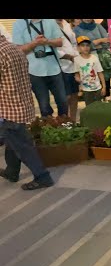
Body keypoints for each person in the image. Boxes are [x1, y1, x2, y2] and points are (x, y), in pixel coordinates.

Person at [0, 34, 55, 190]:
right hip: (21, 104)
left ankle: (43, 176)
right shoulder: (13, 49)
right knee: (13, 140)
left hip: (7, 108)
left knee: (22, 145)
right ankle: (12, 171)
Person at [12, 19, 68, 117]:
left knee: (63, 102)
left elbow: (60, 42)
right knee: (44, 106)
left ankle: (65, 127)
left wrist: (47, 41)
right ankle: (49, 130)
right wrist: (34, 43)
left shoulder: (50, 21)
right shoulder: (19, 24)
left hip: (54, 68)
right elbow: (18, 50)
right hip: (34, 71)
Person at [74, 19, 111, 98]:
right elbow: (80, 46)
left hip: (103, 59)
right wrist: (97, 43)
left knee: (105, 82)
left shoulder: (98, 27)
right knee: (90, 82)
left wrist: (98, 41)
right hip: (86, 61)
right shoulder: (76, 30)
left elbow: (108, 42)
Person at [56, 19, 80, 121]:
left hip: (73, 65)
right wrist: (68, 57)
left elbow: (74, 43)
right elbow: (52, 48)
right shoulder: (49, 25)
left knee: (74, 95)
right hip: (60, 66)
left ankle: (73, 120)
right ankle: (64, 121)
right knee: (65, 97)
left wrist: (76, 56)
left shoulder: (66, 23)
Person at [74, 36, 106, 105]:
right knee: (89, 107)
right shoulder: (76, 60)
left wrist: (104, 87)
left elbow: (100, 72)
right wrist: (77, 78)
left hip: (97, 88)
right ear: (78, 47)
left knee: (99, 106)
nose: (85, 47)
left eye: (87, 45)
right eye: (82, 45)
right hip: (86, 89)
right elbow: (76, 73)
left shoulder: (94, 58)